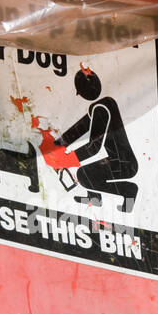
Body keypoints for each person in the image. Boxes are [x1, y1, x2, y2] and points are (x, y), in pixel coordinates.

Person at [53, 69, 139, 212]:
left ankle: (128, 190)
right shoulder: (101, 104)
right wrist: (58, 145)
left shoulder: (101, 108)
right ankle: (95, 198)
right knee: (88, 170)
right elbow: (80, 128)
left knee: (83, 173)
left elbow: (94, 147)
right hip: (117, 159)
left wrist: (67, 160)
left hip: (125, 164)